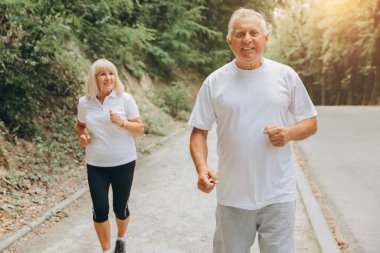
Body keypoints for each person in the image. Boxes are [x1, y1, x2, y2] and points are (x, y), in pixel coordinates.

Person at [189, 8, 318, 253]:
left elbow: (311, 122)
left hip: (278, 195)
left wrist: (288, 133)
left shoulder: (285, 76)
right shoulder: (214, 82)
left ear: (265, 38)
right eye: (240, 34)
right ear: (229, 40)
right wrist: (202, 167)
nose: (247, 39)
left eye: (253, 33)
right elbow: (199, 132)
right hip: (232, 197)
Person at [76, 59, 144, 253]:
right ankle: (106, 250)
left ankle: (121, 239)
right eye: (103, 74)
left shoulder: (125, 99)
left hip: (123, 161)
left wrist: (122, 123)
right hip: (96, 163)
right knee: (100, 209)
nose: (108, 78)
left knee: (120, 208)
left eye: (111, 73)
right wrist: (83, 135)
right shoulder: (84, 102)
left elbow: (140, 128)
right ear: (94, 78)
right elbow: (80, 125)